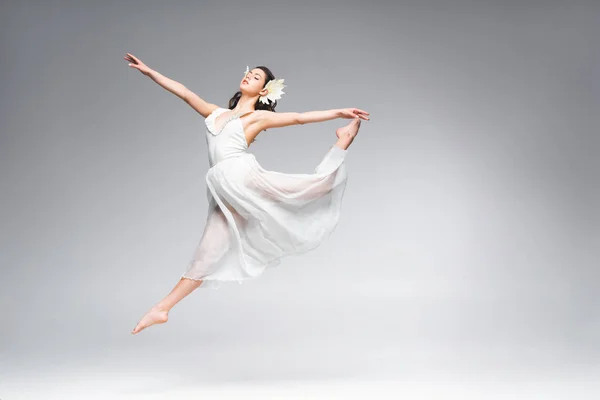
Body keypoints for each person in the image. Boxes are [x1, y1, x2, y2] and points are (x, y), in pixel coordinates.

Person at [124, 53, 370, 334]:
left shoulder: (257, 117)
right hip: (224, 190)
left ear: (264, 90)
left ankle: (344, 140)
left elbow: (299, 118)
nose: (248, 76)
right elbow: (183, 92)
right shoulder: (215, 113)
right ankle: (162, 309)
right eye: (248, 73)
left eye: (255, 77)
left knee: (312, 188)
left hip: (243, 177)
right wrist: (149, 72)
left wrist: (339, 112)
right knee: (207, 254)